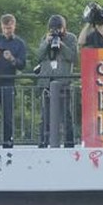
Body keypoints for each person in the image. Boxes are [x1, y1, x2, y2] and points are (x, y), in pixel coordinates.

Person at [35, 15, 78, 149]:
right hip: (47, 82)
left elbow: (73, 57)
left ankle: (69, 143)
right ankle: (43, 141)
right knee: (45, 115)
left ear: (64, 27)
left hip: (63, 82)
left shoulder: (71, 38)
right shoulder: (45, 37)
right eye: (53, 29)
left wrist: (62, 44)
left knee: (66, 115)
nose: (56, 31)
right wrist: (46, 43)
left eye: (58, 28)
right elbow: (38, 56)